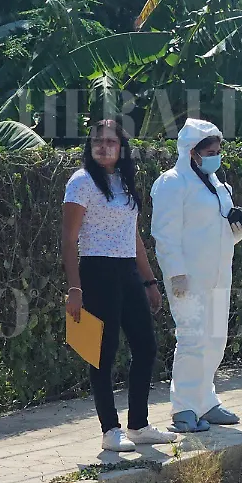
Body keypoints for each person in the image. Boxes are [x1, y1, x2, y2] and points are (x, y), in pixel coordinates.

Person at [62, 120, 175, 452]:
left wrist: (150, 280)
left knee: (146, 346)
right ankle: (110, 430)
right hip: (96, 272)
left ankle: (138, 424)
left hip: (127, 272)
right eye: (97, 141)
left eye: (111, 141)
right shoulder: (81, 182)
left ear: (121, 148)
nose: (103, 146)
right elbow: (69, 240)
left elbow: (134, 237)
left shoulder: (125, 182)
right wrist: (74, 288)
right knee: (102, 353)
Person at [151, 119, 242, 433]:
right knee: (192, 341)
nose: (215, 155)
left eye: (218, 150)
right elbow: (164, 235)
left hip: (219, 275)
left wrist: (237, 232)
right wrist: (176, 274)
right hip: (188, 280)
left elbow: (219, 232)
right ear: (192, 151)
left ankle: (206, 402)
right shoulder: (172, 183)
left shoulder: (217, 184)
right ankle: (183, 410)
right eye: (210, 150)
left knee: (216, 339)